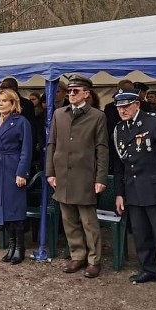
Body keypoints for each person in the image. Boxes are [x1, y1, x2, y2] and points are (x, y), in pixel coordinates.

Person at [112, 89, 156, 294]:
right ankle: (149, 269)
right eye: (119, 107)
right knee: (141, 235)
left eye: (126, 106)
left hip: (155, 188)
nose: (122, 110)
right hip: (132, 189)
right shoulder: (119, 128)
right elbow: (119, 165)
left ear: (137, 104)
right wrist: (119, 193)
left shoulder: (154, 121)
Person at [46, 75, 108, 278]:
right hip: (62, 175)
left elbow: (102, 149)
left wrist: (100, 178)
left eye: (76, 91)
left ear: (86, 94)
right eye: (69, 91)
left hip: (85, 176)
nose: (71, 94)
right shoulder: (59, 114)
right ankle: (77, 255)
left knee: (89, 222)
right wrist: (50, 172)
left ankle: (94, 260)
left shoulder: (97, 116)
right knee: (69, 220)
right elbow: (51, 144)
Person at [0, 89, 32, 264]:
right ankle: (11, 246)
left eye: (5, 100)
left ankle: (20, 248)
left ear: (13, 103)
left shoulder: (21, 122)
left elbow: (26, 149)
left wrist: (21, 172)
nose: (1, 104)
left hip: (12, 166)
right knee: (1, 207)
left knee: (15, 208)